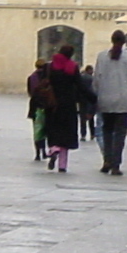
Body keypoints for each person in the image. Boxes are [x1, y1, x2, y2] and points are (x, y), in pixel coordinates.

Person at [92, 30, 127, 175]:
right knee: (120, 134)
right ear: (124, 41)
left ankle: (107, 160)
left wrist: (99, 94)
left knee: (107, 132)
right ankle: (116, 164)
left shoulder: (102, 57)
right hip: (123, 101)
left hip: (105, 101)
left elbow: (97, 80)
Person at [41, 44, 86, 173]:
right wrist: (93, 98)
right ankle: (62, 165)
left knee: (53, 129)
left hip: (52, 104)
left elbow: (42, 83)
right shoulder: (73, 67)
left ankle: (54, 148)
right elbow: (80, 86)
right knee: (66, 134)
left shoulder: (49, 66)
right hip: (68, 105)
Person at [26, 57, 52, 158]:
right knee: (46, 129)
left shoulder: (31, 77)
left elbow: (30, 92)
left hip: (35, 106)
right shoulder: (48, 78)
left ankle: (37, 152)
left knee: (36, 130)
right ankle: (44, 151)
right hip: (47, 106)